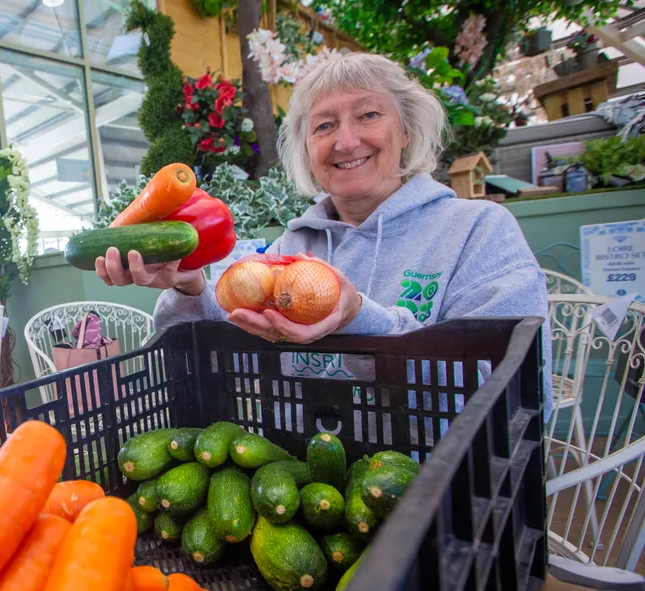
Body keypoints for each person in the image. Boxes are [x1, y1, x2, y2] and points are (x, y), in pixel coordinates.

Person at [95, 53, 551, 409]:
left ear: (407, 130)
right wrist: (191, 289)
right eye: (324, 126)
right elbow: (219, 370)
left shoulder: (477, 232)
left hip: (428, 492)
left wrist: (362, 322)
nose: (346, 141)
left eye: (369, 115)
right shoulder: (289, 249)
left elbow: (511, 390)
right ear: (308, 149)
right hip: (297, 492)